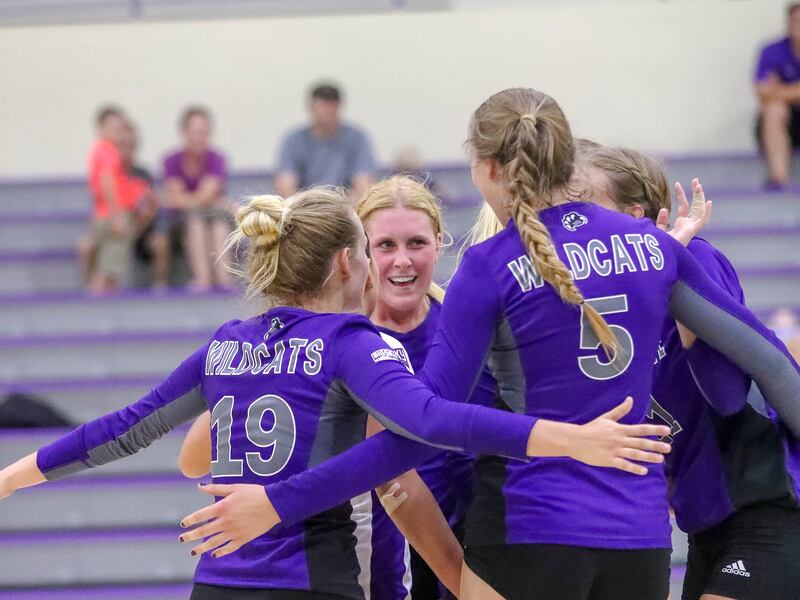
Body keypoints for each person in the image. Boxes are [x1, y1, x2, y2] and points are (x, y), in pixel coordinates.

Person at [179, 88, 800, 600]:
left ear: (489, 169)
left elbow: (423, 427)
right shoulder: (659, 248)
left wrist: (278, 503)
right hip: (637, 541)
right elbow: (768, 365)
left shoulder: (488, 266)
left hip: (529, 530)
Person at [0, 187, 669, 600]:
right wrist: (570, 438)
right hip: (314, 575)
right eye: (380, 247)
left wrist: (9, 480)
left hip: (223, 582)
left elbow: (122, 429)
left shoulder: (226, 342)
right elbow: (431, 422)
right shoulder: (356, 342)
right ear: (353, 261)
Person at [579, 144, 800, 600]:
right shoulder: (601, 308)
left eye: (584, 206)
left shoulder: (695, 258)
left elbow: (727, 394)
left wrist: (670, 274)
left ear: (635, 216)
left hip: (767, 506)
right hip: (705, 523)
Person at [157, 106, 233, 291]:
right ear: (184, 132)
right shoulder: (171, 160)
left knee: (219, 226)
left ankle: (224, 280)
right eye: (195, 131)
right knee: (196, 222)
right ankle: (203, 279)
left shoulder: (217, 158)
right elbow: (198, 197)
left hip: (213, 216)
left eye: (204, 132)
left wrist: (178, 199)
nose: (200, 137)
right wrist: (204, 200)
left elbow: (202, 195)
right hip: (181, 223)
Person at [274, 83, 376, 199]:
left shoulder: (357, 139)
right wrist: (310, 209)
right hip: (305, 209)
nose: (327, 111)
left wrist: (338, 209)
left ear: (339, 106)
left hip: (345, 209)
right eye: (322, 105)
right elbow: (285, 187)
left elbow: (363, 185)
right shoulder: (293, 140)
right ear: (311, 107)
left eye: (331, 106)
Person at [81, 105, 141, 293]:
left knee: (110, 267)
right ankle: (97, 300)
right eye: (112, 125)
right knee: (108, 268)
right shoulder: (107, 151)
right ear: (100, 128)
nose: (118, 129)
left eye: (120, 126)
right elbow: (107, 183)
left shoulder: (101, 151)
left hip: (105, 215)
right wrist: (116, 216)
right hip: (111, 216)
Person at [755, 2, 800, 189]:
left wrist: (780, 90)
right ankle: (779, 179)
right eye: (796, 21)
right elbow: (763, 93)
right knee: (774, 109)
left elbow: (772, 91)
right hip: (786, 124)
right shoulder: (772, 51)